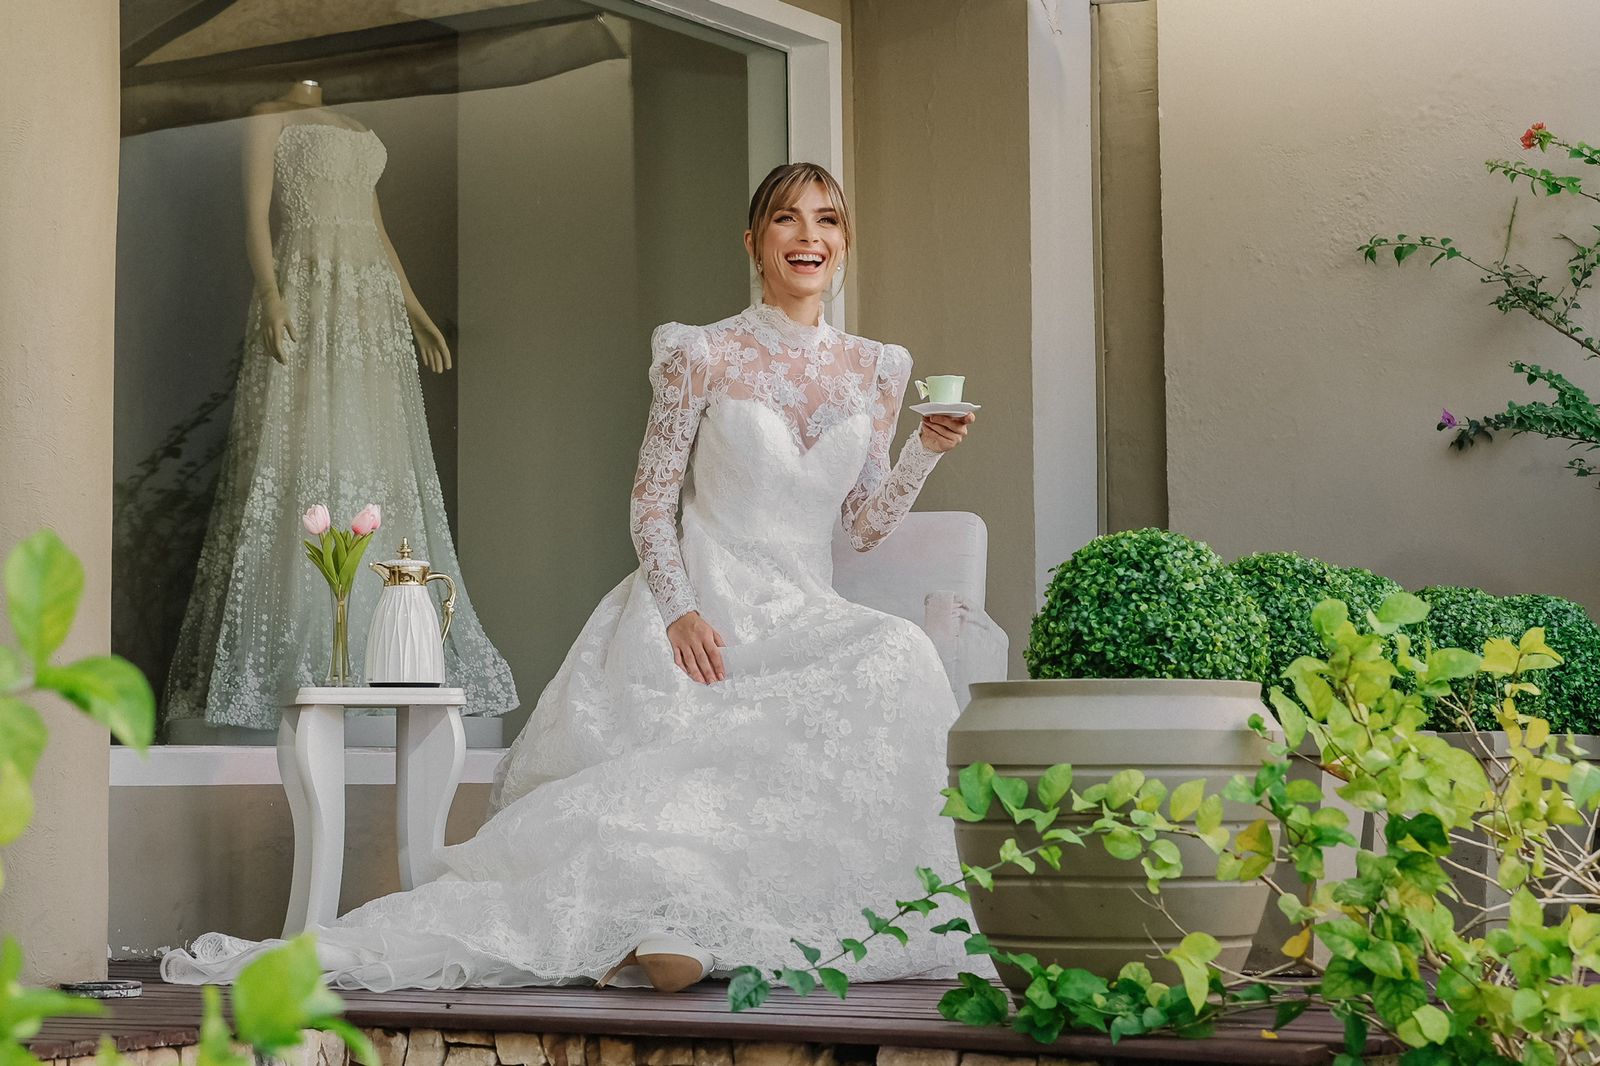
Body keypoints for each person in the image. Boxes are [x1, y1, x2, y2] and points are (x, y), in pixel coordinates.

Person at [163, 161, 986, 994]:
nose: (809, 235)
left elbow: (863, 526)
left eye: (828, 221)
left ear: (844, 245)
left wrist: (926, 451)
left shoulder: (877, 369)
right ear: (754, 242)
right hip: (703, 608)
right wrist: (681, 611)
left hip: (803, 609)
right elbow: (649, 503)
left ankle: (713, 919)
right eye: (787, 219)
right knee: (684, 764)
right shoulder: (700, 353)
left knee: (899, 652)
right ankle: (663, 916)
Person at [162, 80, 517, 735]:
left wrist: (413, 313)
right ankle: (301, 649)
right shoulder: (267, 116)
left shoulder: (355, 124)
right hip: (310, 286)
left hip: (366, 299)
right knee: (306, 448)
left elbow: (378, 230)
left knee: (373, 449)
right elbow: (257, 216)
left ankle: (385, 646)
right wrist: (271, 295)